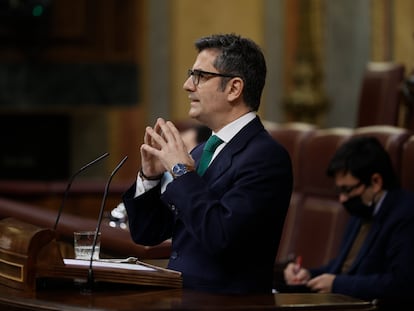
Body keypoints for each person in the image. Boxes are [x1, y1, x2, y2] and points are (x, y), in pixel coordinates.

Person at [122, 33, 293, 294]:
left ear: (234, 88)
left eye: (200, 76)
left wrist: (181, 171)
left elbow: (222, 237)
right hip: (182, 298)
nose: (187, 85)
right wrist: (150, 178)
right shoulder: (203, 151)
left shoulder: (266, 157)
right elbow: (148, 233)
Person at [283, 136, 414, 304]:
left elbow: (401, 284)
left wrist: (337, 284)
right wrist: (308, 274)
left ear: (375, 182)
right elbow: (342, 267)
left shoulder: (405, 214)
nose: (343, 199)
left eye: (347, 189)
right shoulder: (361, 209)